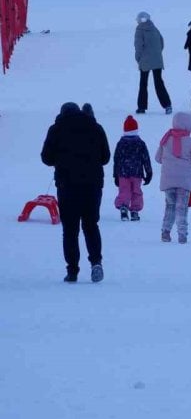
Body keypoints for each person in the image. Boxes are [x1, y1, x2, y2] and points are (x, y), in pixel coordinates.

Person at [41, 102, 111, 283]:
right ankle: (96, 262)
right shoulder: (96, 127)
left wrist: (61, 158)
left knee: (70, 230)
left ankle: (72, 270)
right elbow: (105, 157)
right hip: (93, 185)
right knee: (91, 225)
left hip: (67, 186)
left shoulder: (56, 129)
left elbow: (46, 158)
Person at [155, 112, 191, 243]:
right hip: (184, 181)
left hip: (168, 181)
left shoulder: (165, 139)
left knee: (169, 206)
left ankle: (165, 232)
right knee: (182, 208)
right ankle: (182, 235)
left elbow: (158, 158)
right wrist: (187, 165)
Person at [112, 115, 153, 222]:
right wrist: (149, 172)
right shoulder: (140, 143)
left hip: (123, 172)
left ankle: (124, 207)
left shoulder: (121, 144)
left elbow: (116, 159)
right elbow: (146, 158)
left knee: (124, 190)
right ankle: (135, 210)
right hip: (137, 172)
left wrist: (115, 174)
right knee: (136, 191)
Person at [133, 11, 172, 114]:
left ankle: (141, 107)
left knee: (143, 83)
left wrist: (138, 59)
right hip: (157, 60)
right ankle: (167, 105)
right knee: (159, 82)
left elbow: (138, 46)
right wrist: (156, 54)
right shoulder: (154, 28)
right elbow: (161, 42)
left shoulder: (139, 29)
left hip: (145, 61)